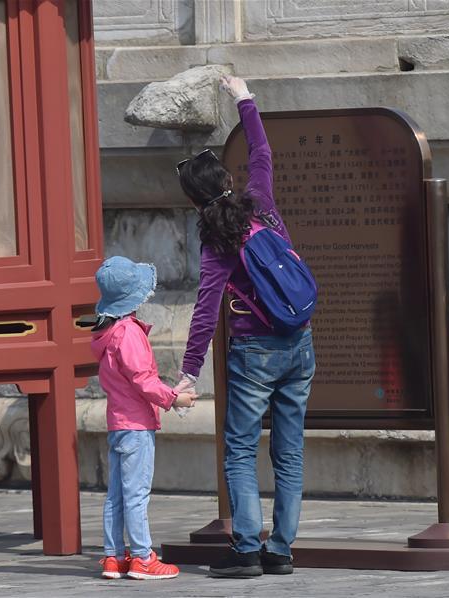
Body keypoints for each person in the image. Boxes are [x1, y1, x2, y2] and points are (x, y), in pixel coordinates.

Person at [175, 75, 315, 578]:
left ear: (196, 202)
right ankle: (281, 549)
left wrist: (189, 373)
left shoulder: (216, 242)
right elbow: (262, 151)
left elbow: (204, 310)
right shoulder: (263, 204)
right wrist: (243, 97)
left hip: (254, 351)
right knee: (289, 449)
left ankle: (246, 551)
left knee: (239, 447)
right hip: (300, 342)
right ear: (228, 182)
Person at [91, 255, 199, 580]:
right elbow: (144, 381)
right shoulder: (129, 333)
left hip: (118, 424)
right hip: (137, 426)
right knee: (136, 493)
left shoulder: (107, 334)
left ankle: (113, 556)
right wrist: (174, 398)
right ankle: (142, 557)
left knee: (117, 495)